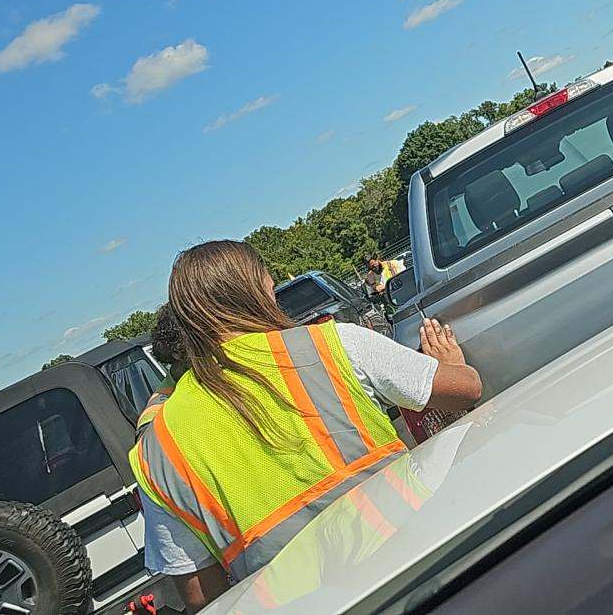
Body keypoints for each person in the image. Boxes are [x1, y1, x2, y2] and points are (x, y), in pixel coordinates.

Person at [130, 240, 481, 611]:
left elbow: (206, 598)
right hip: (422, 572)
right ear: (255, 291)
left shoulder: (157, 448)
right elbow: (466, 390)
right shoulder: (331, 344)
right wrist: (454, 365)